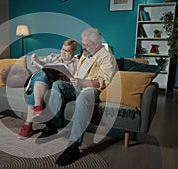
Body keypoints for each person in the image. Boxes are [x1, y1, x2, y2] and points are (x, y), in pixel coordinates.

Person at [35, 28, 117, 166]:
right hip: (77, 85)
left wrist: (82, 82)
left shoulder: (107, 57)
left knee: (83, 98)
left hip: (92, 89)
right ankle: (51, 125)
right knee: (57, 85)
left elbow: (104, 82)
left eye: (86, 44)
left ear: (97, 44)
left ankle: (73, 147)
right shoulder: (85, 53)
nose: (83, 47)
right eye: (83, 43)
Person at [18, 39, 78, 139]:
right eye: (62, 49)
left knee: (36, 88)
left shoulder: (77, 63)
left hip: (56, 87)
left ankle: (28, 124)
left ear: (73, 52)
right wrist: (35, 59)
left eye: (67, 51)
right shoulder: (53, 56)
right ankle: (38, 107)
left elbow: (75, 82)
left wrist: (69, 77)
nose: (63, 52)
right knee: (42, 74)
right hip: (44, 82)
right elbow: (40, 64)